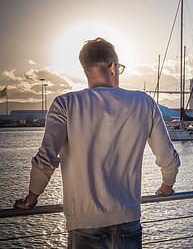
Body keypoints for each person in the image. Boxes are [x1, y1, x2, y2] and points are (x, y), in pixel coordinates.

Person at [14, 37, 180, 248]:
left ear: (86, 69)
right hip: (129, 221)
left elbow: (46, 159)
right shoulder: (144, 102)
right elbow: (168, 157)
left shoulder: (65, 104)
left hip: (85, 224)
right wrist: (167, 186)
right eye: (119, 67)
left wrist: (31, 199)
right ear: (113, 68)